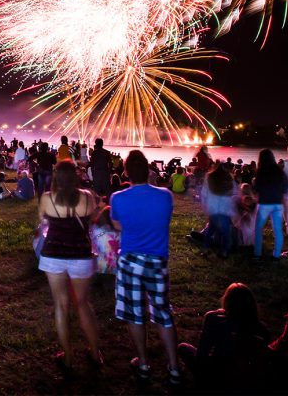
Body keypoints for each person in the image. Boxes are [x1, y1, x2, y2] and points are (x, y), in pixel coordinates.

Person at [110, 150, 181, 387]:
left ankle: (143, 363)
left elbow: (117, 225)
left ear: (126, 172)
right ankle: (174, 367)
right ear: (150, 170)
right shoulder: (166, 196)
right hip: (157, 261)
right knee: (163, 312)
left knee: (135, 313)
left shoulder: (117, 198)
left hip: (130, 261)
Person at [38, 161, 102, 373]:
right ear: (76, 176)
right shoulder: (87, 196)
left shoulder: (47, 198)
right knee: (83, 304)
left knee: (61, 305)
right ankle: (95, 353)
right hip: (81, 255)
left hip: (53, 255)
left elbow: (42, 221)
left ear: (56, 177)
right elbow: (93, 219)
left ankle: (68, 358)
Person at [178, 283, 271, 391]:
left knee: (183, 347)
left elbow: (201, 356)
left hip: (217, 375)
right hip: (245, 381)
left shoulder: (214, 319)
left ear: (227, 301)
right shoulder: (262, 330)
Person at [253, 149, 288, 261]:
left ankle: (257, 254)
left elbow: (257, 187)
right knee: (278, 230)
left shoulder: (261, 171)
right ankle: (276, 255)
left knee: (258, 229)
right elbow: (287, 185)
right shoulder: (279, 171)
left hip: (264, 203)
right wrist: (279, 192)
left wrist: (255, 184)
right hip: (278, 204)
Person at [200, 161, 238, 259]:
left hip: (213, 207)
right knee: (226, 231)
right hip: (225, 208)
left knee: (211, 229)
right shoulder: (229, 179)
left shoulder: (209, 177)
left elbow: (204, 193)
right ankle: (223, 251)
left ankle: (206, 249)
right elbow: (235, 192)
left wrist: (205, 205)